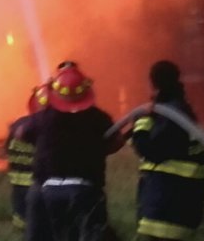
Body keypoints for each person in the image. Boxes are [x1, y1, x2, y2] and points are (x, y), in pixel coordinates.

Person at [19, 64, 125, 241]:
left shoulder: (45, 116)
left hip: (49, 190)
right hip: (85, 190)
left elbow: (21, 133)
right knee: (91, 234)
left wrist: (41, 141)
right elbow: (118, 141)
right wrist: (99, 149)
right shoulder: (97, 117)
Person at [128, 61, 204, 241]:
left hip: (167, 207)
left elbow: (150, 150)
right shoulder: (179, 110)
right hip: (178, 204)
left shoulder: (169, 115)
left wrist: (141, 123)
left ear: (152, 83)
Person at [7, 86, 48, 229]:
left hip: (17, 183)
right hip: (38, 185)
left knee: (22, 222)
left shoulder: (17, 125)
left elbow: (8, 150)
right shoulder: (46, 128)